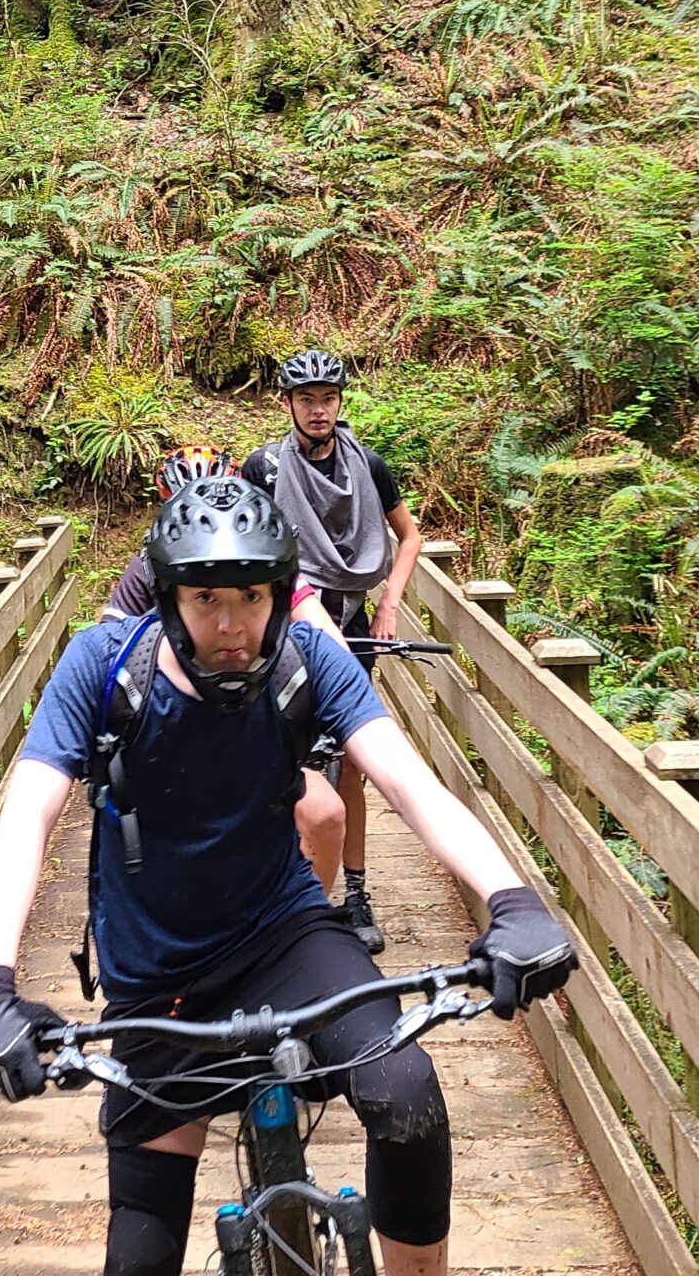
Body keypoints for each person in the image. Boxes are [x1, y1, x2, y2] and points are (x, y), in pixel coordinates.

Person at [0, 477, 576, 1276]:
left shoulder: (309, 658)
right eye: (206, 597)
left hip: (284, 936)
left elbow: (411, 785)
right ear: (168, 595)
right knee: (138, 1252)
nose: (230, 625)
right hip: (158, 978)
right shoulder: (104, 667)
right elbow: (26, 816)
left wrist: (512, 902)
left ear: (280, 593)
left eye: (250, 596)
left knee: (407, 1094)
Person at [99, 446, 348, 889]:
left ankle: (313, 920)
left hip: (260, 715)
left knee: (325, 814)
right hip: (174, 727)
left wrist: (336, 678)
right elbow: (108, 644)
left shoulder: (262, 561)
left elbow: (318, 624)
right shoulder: (146, 571)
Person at [242, 349, 422, 954]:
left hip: (353, 620)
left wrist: (391, 601)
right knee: (280, 754)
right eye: (306, 400)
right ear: (288, 404)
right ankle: (282, 892)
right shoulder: (264, 468)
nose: (319, 411)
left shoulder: (367, 465)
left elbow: (409, 534)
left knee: (351, 760)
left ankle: (358, 894)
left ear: (340, 403)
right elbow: (248, 544)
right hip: (288, 627)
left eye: (328, 399)